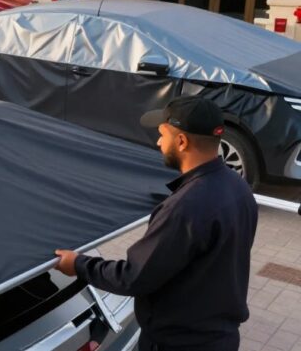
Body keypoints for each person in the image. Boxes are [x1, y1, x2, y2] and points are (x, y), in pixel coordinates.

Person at [55, 96, 258, 351]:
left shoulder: (186, 207)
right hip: (220, 338)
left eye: (163, 134)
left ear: (182, 141)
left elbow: (134, 277)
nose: (159, 142)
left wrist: (79, 264)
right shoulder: (239, 187)